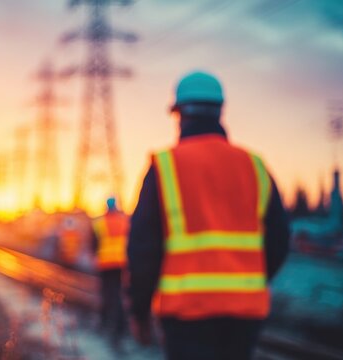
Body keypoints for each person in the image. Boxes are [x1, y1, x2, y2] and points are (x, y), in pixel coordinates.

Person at [127, 70, 290, 359]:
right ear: (220, 112)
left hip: (187, 314)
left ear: (179, 114)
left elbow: (143, 249)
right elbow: (279, 238)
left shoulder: (166, 166)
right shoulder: (254, 165)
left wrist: (139, 312)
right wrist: (251, 281)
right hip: (245, 313)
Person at [91, 197, 130, 348]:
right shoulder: (124, 221)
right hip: (121, 263)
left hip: (105, 263)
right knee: (119, 295)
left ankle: (106, 323)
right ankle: (121, 326)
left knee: (107, 294)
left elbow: (94, 243)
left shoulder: (99, 223)